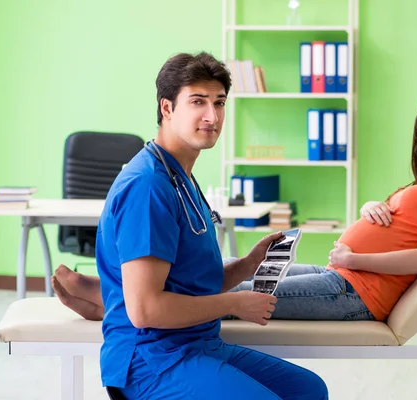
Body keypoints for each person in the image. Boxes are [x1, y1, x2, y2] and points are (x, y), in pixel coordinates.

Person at [54, 92, 417, 324]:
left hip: (358, 293)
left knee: (239, 293)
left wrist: (357, 255)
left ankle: (106, 302)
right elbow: (410, 222)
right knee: (219, 269)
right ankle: (116, 295)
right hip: (342, 275)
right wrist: (377, 205)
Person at [69, 51, 329, 400]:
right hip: (151, 360)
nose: (212, 115)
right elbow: (146, 309)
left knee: (309, 390)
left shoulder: (182, 177)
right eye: (198, 102)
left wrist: (247, 265)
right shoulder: (148, 186)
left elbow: (192, 284)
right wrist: (233, 305)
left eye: (219, 102)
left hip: (197, 342)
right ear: (167, 108)